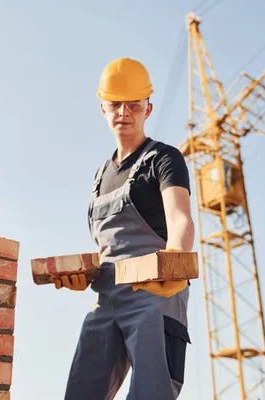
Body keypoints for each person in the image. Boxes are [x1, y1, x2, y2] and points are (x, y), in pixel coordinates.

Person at [56, 57, 195, 400]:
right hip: (105, 299)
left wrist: (176, 258)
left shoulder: (164, 159)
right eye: (115, 104)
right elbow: (106, 248)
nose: (124, 112)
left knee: (152, 394)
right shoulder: (100, 176)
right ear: (102, 108)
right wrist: (80, 276)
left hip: (154, 295)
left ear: (148, 108)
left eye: (133, 104)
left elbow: (180, 218)